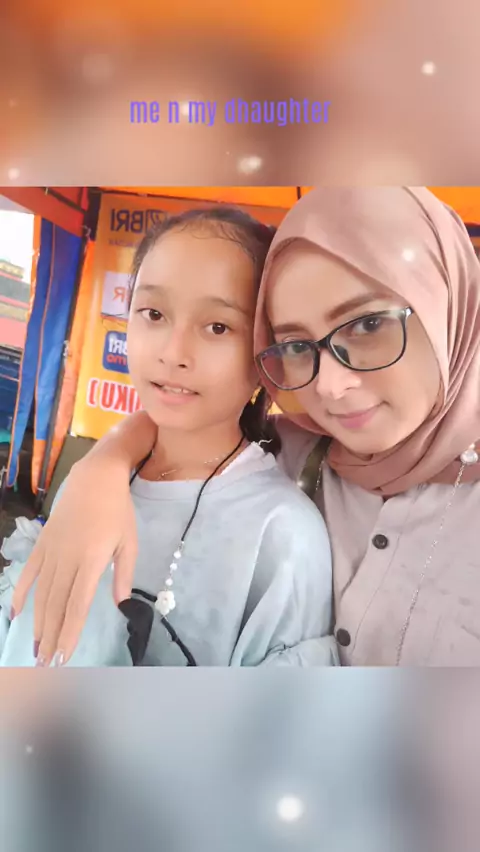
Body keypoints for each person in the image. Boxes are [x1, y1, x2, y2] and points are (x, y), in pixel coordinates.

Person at [7, 186, 480, 666]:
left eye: (369, 325)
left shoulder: (282, 524)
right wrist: (101, 466)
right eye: (297, 344)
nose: (331, 386)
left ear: (449, 304)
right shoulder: (300, 446)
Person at [0, 206, 337, 667]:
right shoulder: (90, 484)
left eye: (217, 327)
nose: (173, 352)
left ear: (267, 354)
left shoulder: (283, 536)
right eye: (154, 313)